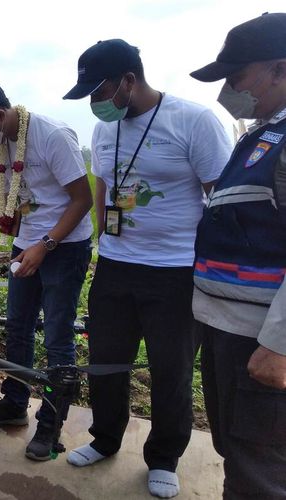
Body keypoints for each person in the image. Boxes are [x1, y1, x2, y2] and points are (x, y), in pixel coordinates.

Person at [62, 40, 231, 498]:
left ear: (129, 81)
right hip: (116, 267)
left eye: (100, 92)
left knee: (170, 369)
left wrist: (212, 267)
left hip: (175, 271)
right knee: (106, 361)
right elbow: (103, 185)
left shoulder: (193, 121)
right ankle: (105, 437)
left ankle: (164, 456)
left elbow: (221, 197)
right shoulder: (103, 130)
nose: (95, 104)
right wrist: (103, 241)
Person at [0, 80, 93, 461]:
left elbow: (82, 199)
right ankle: (14, 401)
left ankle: (50, 425)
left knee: (58, 336)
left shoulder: (52, 136)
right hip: (25, 248)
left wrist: (47, 245)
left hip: (65, 247)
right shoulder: (0, 153)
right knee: (17, 328)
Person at [190, 12, 286, 499]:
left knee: (258, 474)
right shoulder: (261, 133)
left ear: (279, 69)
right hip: (228, 330)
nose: (229, 89)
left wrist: (280, 344)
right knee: (238, 452)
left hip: (261, 343)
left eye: (238, 75)